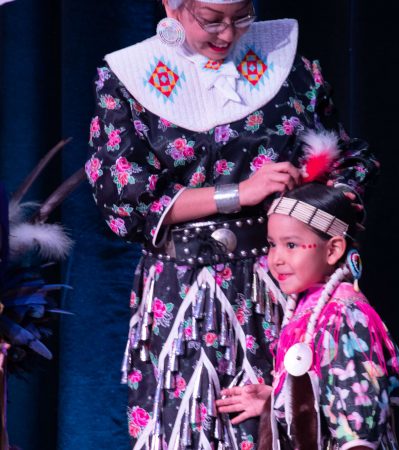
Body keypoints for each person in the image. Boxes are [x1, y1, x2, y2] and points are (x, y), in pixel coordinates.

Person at [85, 0, 379, 448]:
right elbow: (122, 198)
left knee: (281, 422)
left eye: (241, 17)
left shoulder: (289, 66)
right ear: (172, 6)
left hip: (278, 282)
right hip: (182, 291)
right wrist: (239, 193)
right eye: (211, 20)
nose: (228, 34)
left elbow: (345, 160)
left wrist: (310, 199)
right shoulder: (129, 77)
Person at [252, 182, 399, 450]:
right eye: (271, 244)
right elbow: (321, 396)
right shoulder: (306, 309)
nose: (275, 258)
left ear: (333, 250)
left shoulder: (345, 314)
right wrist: (274, 401)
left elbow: (359, 422)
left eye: (291, 245)